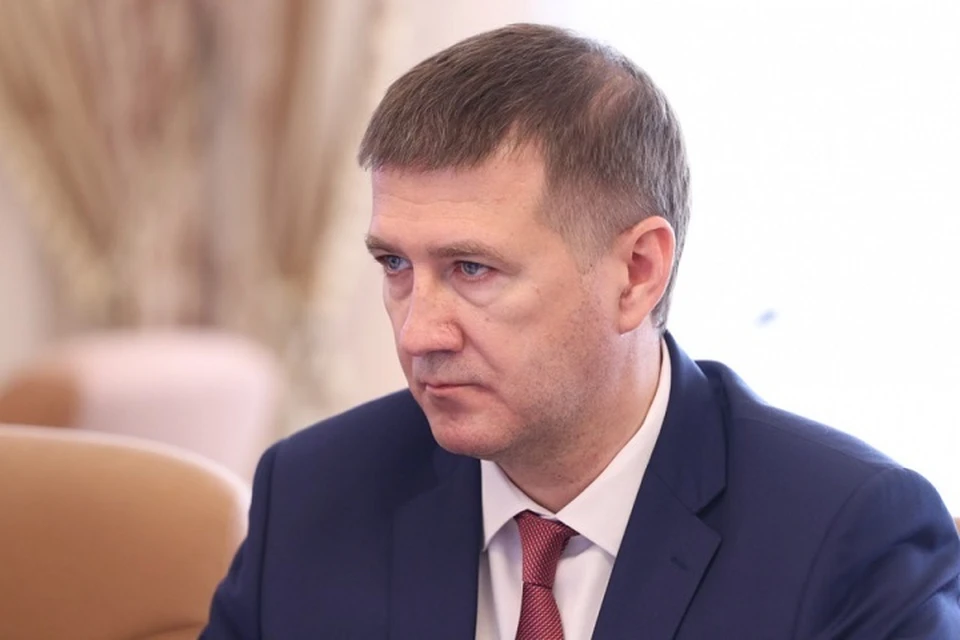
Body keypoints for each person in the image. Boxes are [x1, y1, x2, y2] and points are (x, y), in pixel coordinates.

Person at [200, 23, 960, 640]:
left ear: (637, 272)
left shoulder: (845, 535)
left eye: (472, 269)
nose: (419, 333)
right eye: (396, 264)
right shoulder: (314, 495)